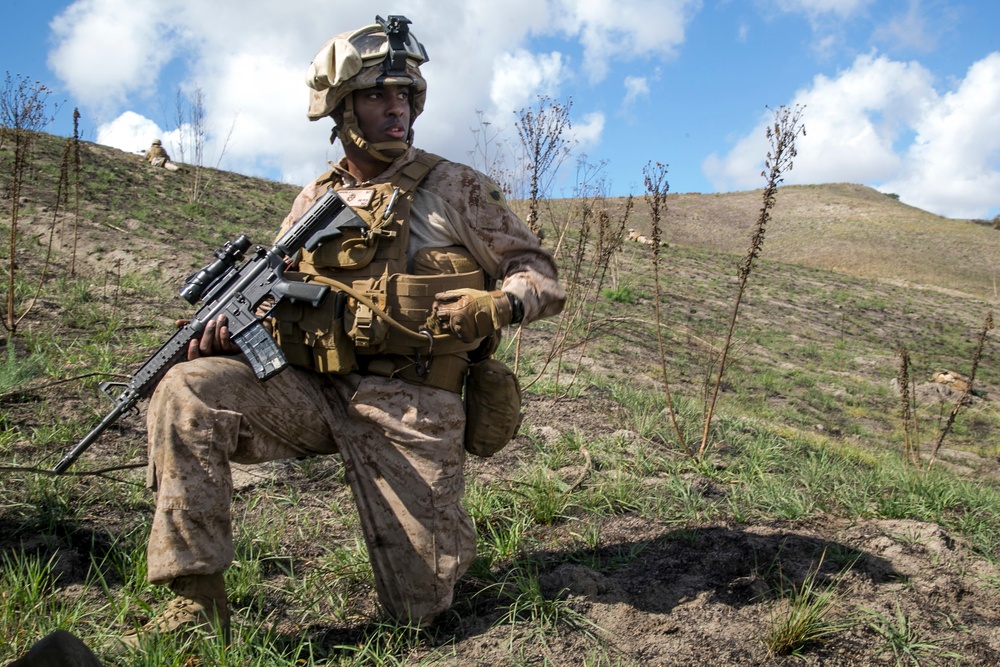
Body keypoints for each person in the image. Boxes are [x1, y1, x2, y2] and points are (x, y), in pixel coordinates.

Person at [116, 15, 565, 649]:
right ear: (341, 107)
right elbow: (272, 297)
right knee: (189, 389)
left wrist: (501, 306)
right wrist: (225, 334)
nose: (397, 108)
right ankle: (193, 602)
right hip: (313, 391)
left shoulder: (452, 186)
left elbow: (540, 275)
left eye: (405, 95)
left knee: (420, 617)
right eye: (378, 95)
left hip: (413, 404)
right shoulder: (314, 200)